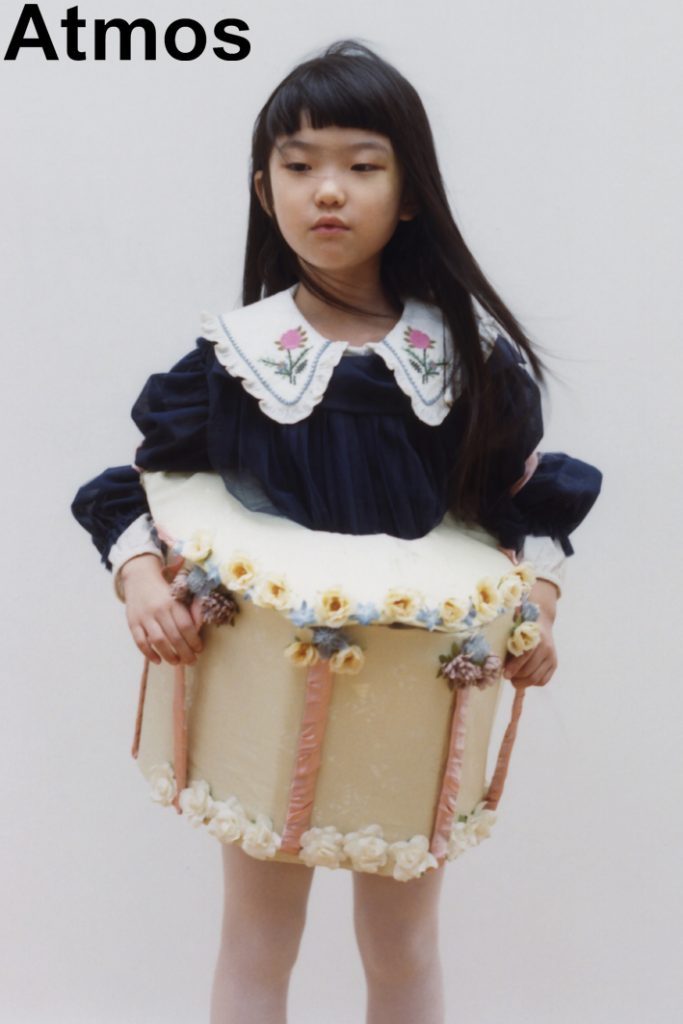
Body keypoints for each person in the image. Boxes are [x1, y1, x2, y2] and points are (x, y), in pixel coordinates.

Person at [71, 39, 602, 1024]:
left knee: (401, 945)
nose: (327, 190)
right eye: (298, 164)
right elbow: (142, 485)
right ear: (263, 188)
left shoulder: (466, 359)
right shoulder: (234, 360)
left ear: (408, 194)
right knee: (257, 935)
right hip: (265, 694)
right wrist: (142, 581)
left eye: (361, 165)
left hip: (414, 689)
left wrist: (535, 608)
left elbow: (522, 501)